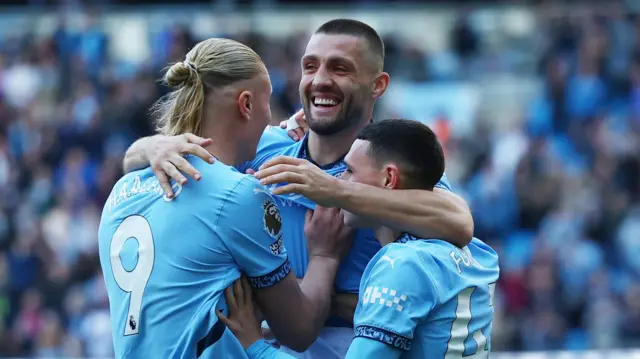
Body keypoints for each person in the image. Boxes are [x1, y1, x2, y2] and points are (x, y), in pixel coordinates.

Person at [121, 19, 474, 358]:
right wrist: (152, 147)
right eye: (310, 66)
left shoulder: (389, 171)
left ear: (378, 85)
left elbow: (458, 221)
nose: (320, 80)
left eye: (340, 68)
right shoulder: (263, 147)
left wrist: (334, 191)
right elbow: (134, 166)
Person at [98, 38, 353, 359]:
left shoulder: (123, 188)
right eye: (267, 104)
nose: (271, 120)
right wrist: (324, 257)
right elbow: (299, 331)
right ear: (245, 104)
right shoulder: (239, 194)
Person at [219, 119, 500, 359]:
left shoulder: (401, 263)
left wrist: (254, 346)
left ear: (389, 179)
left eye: (349, 171)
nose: (337, 180)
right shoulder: (476, 253)